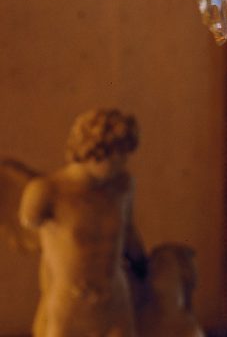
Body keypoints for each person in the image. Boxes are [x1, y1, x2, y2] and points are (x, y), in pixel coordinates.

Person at [19, 109, 145, 337]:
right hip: (71, 302)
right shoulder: (47, 191)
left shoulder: (123, 186)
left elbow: (129, 233)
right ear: (97, 151)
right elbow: (30, 230)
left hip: (114, 298)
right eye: (120, 154)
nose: (124, 163)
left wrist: (146, 267)